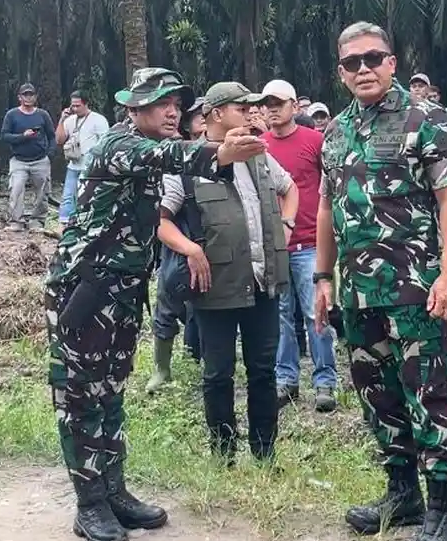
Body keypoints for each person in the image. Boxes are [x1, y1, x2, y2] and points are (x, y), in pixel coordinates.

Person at [45, 68, 265, 541]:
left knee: (112, 392)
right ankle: (89, 504)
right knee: (81, 397)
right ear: (133, 109)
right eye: (161, 102)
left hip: (120, 293)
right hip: (84, 292)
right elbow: (166, 154)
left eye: (177, 103)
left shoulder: (150, 152)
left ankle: (113, 490)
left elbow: (171, 161)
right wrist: (218, 151)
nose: (172, 111)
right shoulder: (119, 146)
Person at [313, 22, 447, 541]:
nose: (363, 69)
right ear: (340, 72)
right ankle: (402, 493)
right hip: (357, 294)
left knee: (429, 393)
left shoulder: (427, 120)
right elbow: (325, 209)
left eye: (372, 58)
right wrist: (321, 276)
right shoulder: (335, 132)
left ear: (392, 62)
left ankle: (445, 511)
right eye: (352, 62)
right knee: (376, 394)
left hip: (415, 287)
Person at [160, 81, 297, 463]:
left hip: (262, 282)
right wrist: (190, 249)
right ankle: (223, 455)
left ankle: (264, 453)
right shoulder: (186, 163)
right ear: (216, 114)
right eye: (242, 107)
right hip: (215, 285)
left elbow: (290, 190)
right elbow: (161, 222)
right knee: (218, 374)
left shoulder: (259, 155)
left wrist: (285, 224)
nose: (252, 114)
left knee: (262, 372)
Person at [261, 79, 338, 413]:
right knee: (280, 316)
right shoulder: (257, 145)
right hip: (274, 246)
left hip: (308, 241)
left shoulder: (314, 141)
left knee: (315, 313)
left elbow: (331, 189)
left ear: (295, 106)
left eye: (279, 103)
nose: (272, 109)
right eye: (267, 104)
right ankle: (286, 379)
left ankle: (325, 381)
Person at [144, 98, 207, 394]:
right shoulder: (175, 157)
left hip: (212, 243)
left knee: (205, 310)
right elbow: (162, 215)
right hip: (179, 242)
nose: (204, 120)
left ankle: (202, 357)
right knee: (167, 302)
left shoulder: (222, 154)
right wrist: (186, 246)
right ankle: (162, 369)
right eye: (198, 117)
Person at [0, 83, 54, 231]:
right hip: (18, 160)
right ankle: (16, 221)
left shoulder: (43, 114)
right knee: (16, 189)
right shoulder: (12, 115)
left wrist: (50, 153)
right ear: (19, 97)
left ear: (36, 97)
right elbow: (4, 136)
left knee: (43, 192)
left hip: (40, 160)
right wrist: (22, 136)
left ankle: (37, 221)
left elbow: (51, 136)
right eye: (25, 95)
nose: (28, 97)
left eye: (31, 94)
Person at [56, 91, 110, 227]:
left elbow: (105, 143)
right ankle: (65, 223)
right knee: (68, 196)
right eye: (72, 106)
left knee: (88, 196)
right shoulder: (70, 120)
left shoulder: (98, 120)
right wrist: (62, 119)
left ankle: (86, 222)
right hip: (73, 165)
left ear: (86, 104)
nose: (74, 109)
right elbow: (59, 139)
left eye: (78, 106)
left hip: (90, 166)